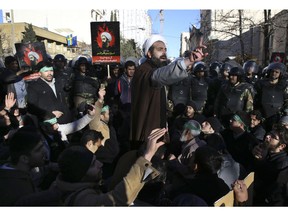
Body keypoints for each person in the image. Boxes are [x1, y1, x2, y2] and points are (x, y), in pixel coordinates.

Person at [51, 127, 167, 206]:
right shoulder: (83, 201)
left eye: (96, 160)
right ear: (80, 174)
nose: (100, 164)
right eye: (93, 165)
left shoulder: (66, 187)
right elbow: (118, 199)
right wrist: (147, 156)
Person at [130, 34, 208, 149]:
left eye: (165, 49)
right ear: (149, 53)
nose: (164, 52)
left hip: (155, 131)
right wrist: (188, 60)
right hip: (146, 134)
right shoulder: (144, 71)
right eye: (159, 49)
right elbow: (160, 75)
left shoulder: (154, 69)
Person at [0, 126, 60, 206]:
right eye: (38, 150)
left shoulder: (14, 174)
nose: (44, 152)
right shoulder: (16, 189)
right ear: (24, 158)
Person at [26, 61, 74, 125]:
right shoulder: (34, 86)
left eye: (51, 71)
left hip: (65, 120)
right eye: (46, 71)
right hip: (48, 124)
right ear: (40, 73)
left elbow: (64, 101)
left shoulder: (58, 82)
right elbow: (31, 108)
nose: (49, 73)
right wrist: (50, 114)